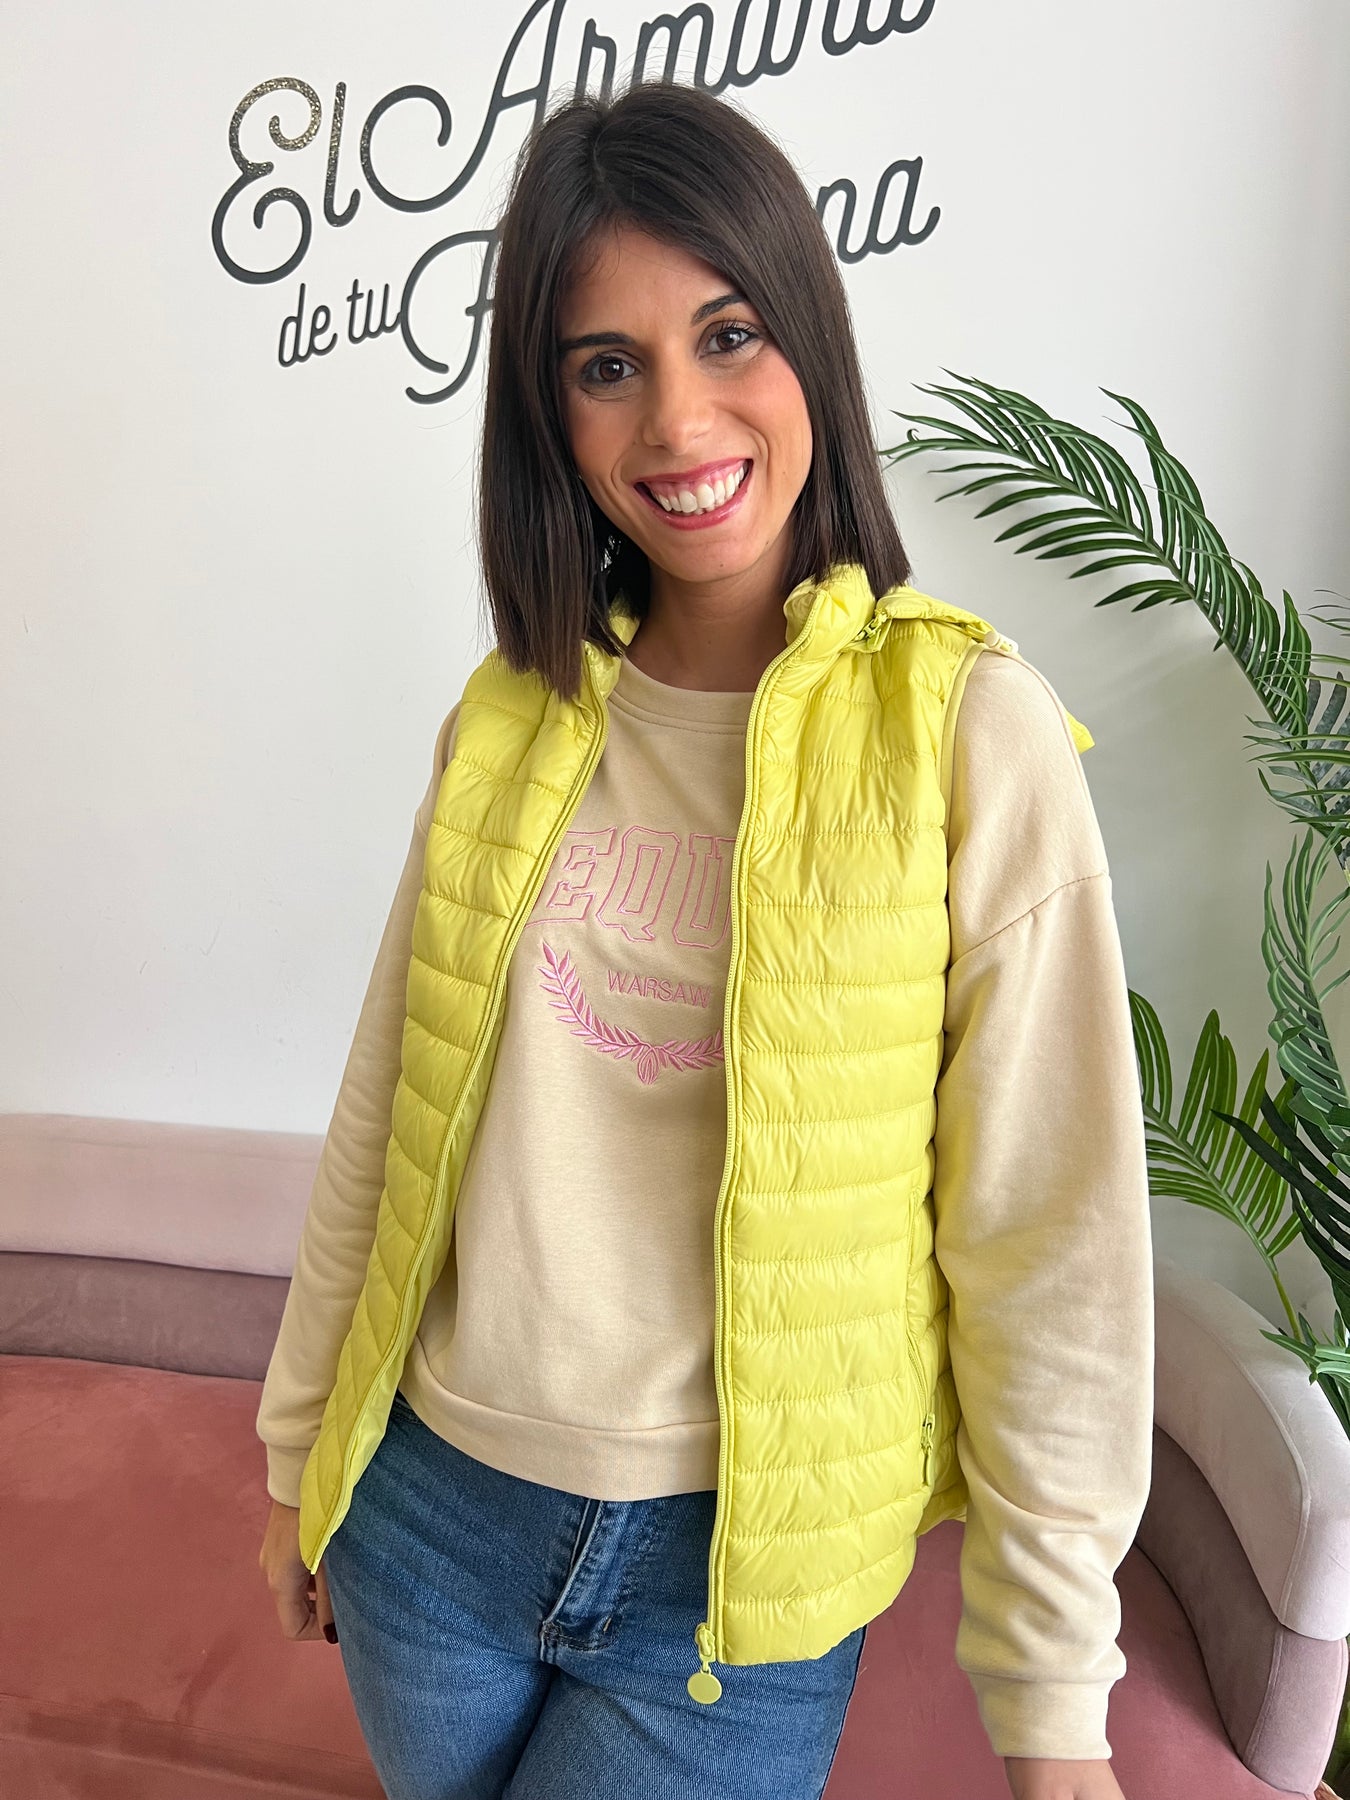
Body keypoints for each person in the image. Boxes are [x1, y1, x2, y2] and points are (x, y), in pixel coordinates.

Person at [255, 77, 1152, 1800]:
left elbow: (1046, 1237)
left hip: (733, 1591)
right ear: (552, 411)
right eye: (607, 365)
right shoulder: (511, 717)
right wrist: (304, 1445)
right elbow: (388, 1109)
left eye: (727, 335)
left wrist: (1055, 1711)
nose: (677, 419)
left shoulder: (965, 732)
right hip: (424, 1517)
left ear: (807, 335)